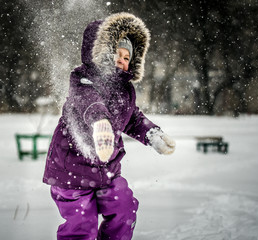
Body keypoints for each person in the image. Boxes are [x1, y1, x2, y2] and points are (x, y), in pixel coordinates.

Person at [43, 12, 176, 240]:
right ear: (102, 52)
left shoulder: (125, 91)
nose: (122, 60)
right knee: (82, 226)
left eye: (128, 57)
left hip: (107, 172)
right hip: (71, 175)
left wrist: (152, 133)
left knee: (124, 207)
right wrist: (101, 124)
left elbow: (132, 118)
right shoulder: (81, 78)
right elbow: (89, 103)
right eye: (118, 53)